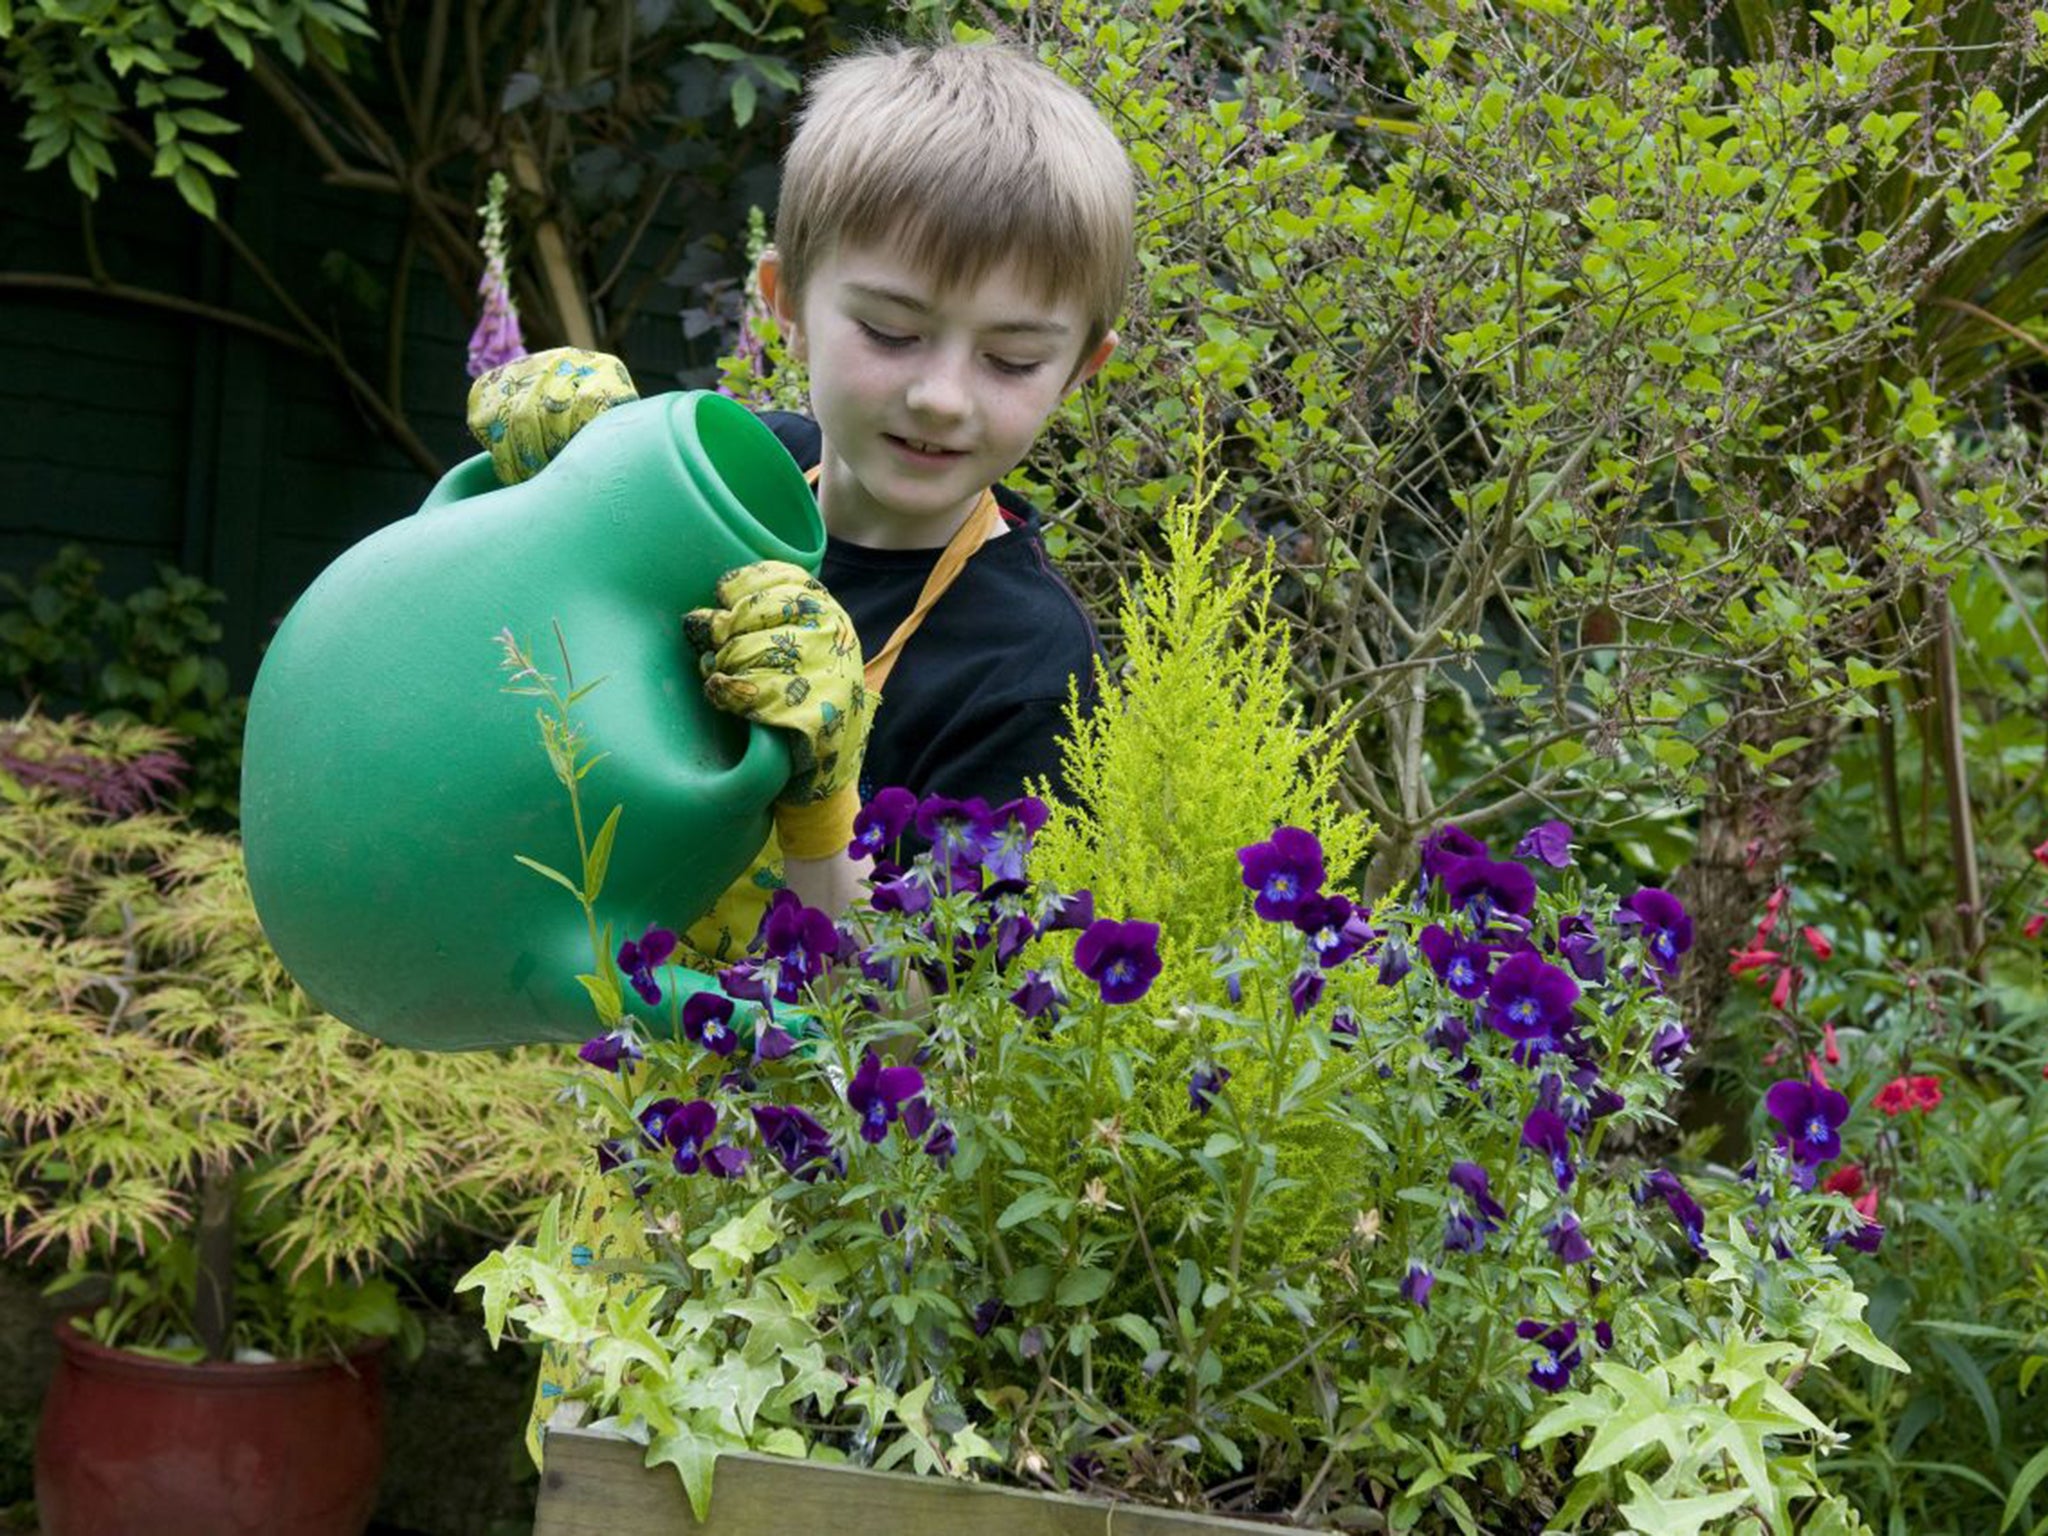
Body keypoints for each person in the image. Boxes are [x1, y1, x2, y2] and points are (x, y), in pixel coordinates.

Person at [471, 35, 1138, 1463]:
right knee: (578, 1466)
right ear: (783, 301)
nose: (944, 396)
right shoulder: (702, 488)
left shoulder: (1029, 664)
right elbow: (482, 685)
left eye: (1014, 356)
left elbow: (929, 1035)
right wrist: (516, 501)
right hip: (604, 1128)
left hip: (818, 1227)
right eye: (891, 331)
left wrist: (823, 812)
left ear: (1082, 365)